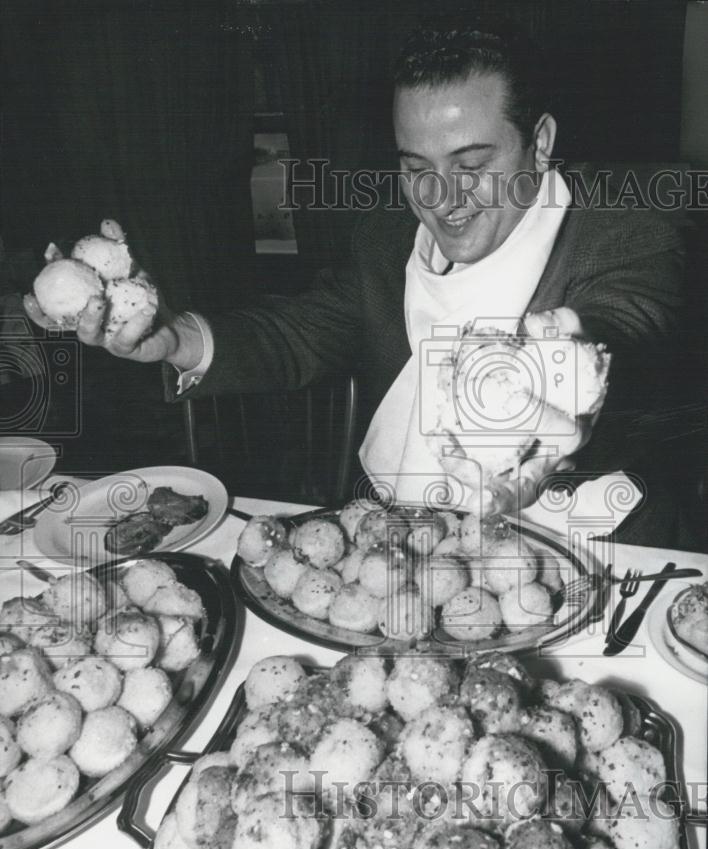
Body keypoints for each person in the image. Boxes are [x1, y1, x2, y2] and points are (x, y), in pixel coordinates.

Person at [24, 18, 693, 544]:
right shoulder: (385, 242)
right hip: (394, 539)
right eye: (415, 165)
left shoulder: (624, 232)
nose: (441, 195)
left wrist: (571, 374)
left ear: (539, 142)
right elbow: (294, 333)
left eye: (472, 161)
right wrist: (170, 340)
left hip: (583, 551)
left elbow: (625, 327)